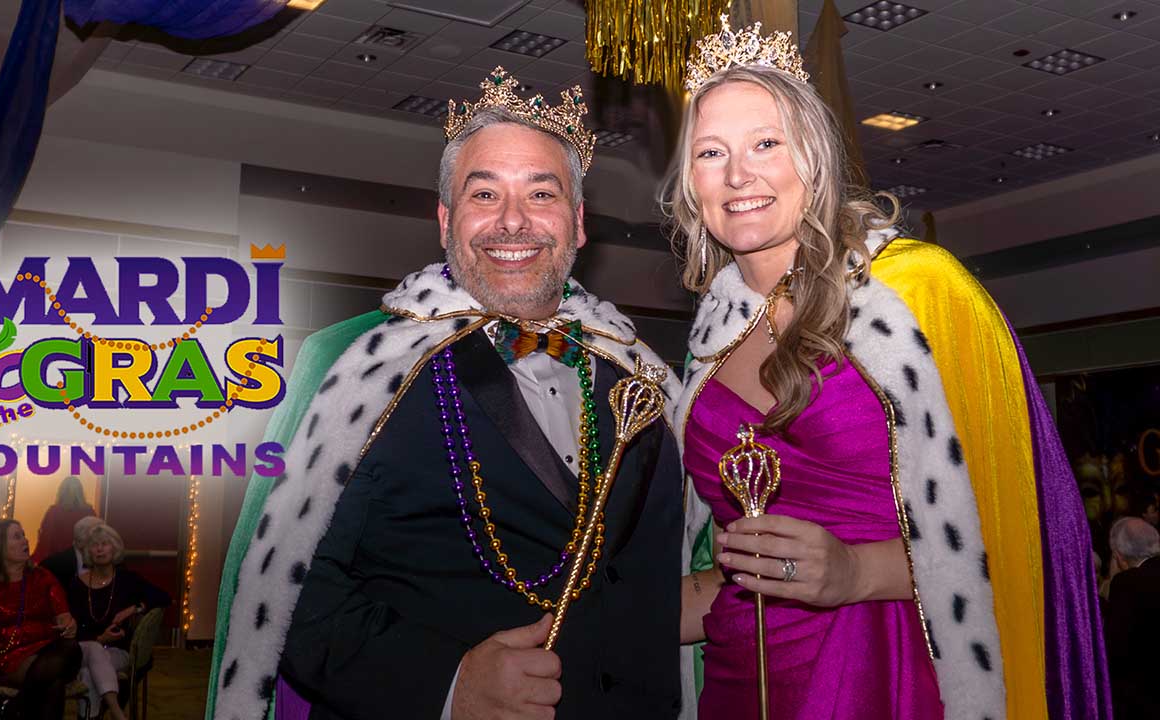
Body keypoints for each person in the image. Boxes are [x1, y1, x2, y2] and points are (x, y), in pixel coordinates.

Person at [663, 19, 1109, 720]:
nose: (738, 175)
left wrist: (855, 572)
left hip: (888, 669)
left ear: (814, 156)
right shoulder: (710, 339)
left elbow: (1027, 525)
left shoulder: (918, 293)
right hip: (740, 678)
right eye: (710, 152)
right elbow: (715, 568)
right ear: (689, 182)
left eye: (765, 144)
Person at [207, 66, 684, 720]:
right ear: (444, 219)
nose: (511, 222)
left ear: (576, 225)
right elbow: (285, 596)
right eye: (484, 194)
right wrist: (449, 684)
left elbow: (647, 586)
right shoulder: (353, 368)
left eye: (540, 195)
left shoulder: (640, 378)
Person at [0, 520, 81, 720]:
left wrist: (70, 626)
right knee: (54, 684)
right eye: (17, 537)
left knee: (70, 648)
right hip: (7, 659)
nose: (25, 540)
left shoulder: (42, 577)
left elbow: (64, 619)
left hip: (50, 651)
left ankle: (17, 707)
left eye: (24, 535)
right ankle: (19, 708)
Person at [68, 523, 170, 720]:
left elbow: (163, 597)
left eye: (104, 544)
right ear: (88, 551)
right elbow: (72, 628)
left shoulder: (127, 580)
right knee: (95, 650)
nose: (99, 549)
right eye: (94, 545)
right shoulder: (77, 584)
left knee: (89, 675)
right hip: (83, 651)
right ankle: (118, 713)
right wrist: (99, 638)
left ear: (114, 548)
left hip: (117, 652)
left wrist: (133, 608)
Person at [1103, 517, 1159, 720]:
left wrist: (1114, 579)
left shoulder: (1129, 583)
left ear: (1118, 557)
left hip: (1144, 703)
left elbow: (1114, 649)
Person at [32, 476, 96, 563]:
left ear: (61, 492)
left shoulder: (54, 512)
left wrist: (36, 560)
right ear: (81, 492)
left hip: (57, 561)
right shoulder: (89, 513)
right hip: (83, 561)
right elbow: (96, 538)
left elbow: (45, 541)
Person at [40, 515, 104, 589]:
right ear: (81, 541)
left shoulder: (113, 566)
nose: (102, 545)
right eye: (98, 537)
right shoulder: (51, 566)